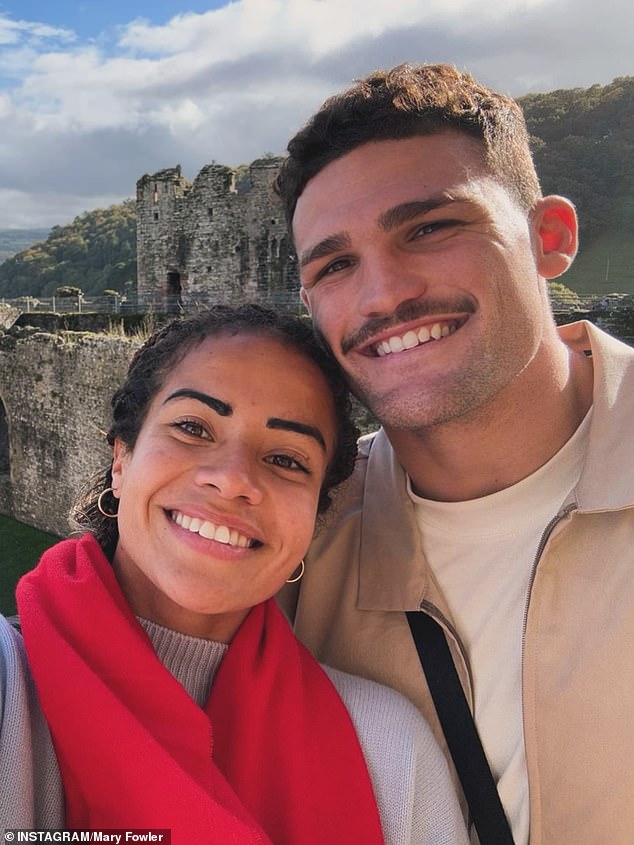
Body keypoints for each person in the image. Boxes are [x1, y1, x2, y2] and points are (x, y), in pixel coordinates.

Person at [274, 63, 634, 844]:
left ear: (550, 239)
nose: (383, 295)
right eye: (334, 265)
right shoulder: (295, 549)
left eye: (430, 228)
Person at [1, 304, 469, 845]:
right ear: (122, 460)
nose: (232, 480)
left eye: (287, 460)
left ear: (314, 520)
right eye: (194, 427)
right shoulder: (11, 691)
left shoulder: (390, 748)